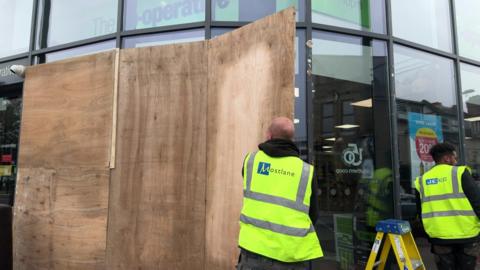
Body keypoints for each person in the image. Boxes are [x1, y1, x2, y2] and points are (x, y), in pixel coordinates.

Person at [236, 117, 323, 270]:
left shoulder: (251, 161)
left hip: (253, 252)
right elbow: (313, 214)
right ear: (292, 139)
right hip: (289, 256)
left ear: (269, 135)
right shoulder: (306, 171)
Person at [414, 142, 480, 270]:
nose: (456, 161)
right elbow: (477, 202)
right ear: (447, 158)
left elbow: (420, 212)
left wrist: (429, 234)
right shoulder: (460, 173)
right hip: (467, 236)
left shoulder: (422, 180)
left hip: (439, 238)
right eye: (455, 157)